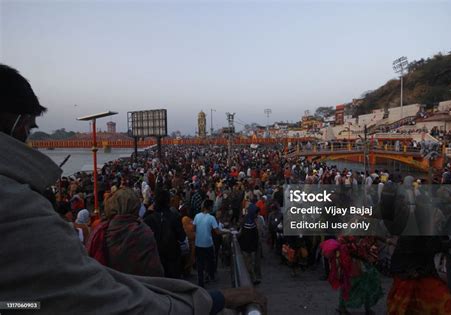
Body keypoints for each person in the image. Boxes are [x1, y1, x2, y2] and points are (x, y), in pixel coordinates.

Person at [0, 64, 266, 314]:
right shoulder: (19, 209)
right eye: (30, 126)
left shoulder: (99, 231)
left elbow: (27, 303)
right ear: (19, 121)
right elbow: (102, 297)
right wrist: (211, 300)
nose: (27, 133)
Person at [88, 187, 165, 277]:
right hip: (139, 287)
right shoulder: (143, 231)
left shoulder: (99, 230)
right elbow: (155, 271)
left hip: (107, 285)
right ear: (135, 206)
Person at [144, 188, 186, 279]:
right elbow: (182, 237)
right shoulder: (174, 217)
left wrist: (148, 211)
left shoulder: (148, 219)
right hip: (172, 259)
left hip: (155, 258)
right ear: (168, 202)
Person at [193, 199, 221, 287]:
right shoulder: (211, 218)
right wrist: (227, 231)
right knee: (210, 261)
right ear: (209, 207)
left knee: (200, 263)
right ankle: (210, 276)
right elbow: (217, 232)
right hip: (208, 244)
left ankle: (201, 281)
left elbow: (194, 228)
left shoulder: (197, 216)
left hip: (198, 243)